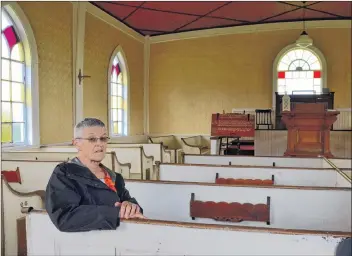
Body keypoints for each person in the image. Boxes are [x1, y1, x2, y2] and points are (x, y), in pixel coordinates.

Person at [45, 118, 145, 232]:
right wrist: (115, 213)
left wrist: (130, 206)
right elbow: (64, 216)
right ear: (77, 144)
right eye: (92, 139)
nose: (100, 144)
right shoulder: (65, 173)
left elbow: (131, 204)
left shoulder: (115, 177)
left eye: (103, 139)